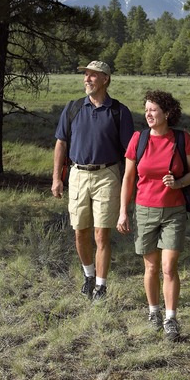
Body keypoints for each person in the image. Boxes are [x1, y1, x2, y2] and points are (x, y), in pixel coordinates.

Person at [117, 89, 190, 341]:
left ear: (167, 113)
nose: (148, 114)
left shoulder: (181, 138)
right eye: (146, 109)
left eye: (153, 109)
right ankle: (154, 312)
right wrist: (123, 212)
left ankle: (170, 318)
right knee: (151, 267)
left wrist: (178, 183)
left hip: (174, 211)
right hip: (144, 210)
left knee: (168, 267)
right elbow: (128, 178)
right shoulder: (138, 139)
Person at [51, 60, 134, 300]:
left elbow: (130, 153)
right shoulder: (73, 108)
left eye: (92, 75)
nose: (87, 79)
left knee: (101, 235)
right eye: (85, 75)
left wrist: (133, 183)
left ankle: (101, 286)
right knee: (80, 232)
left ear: (105, 79)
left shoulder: (119, 111)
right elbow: (61, 144)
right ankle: (88, 274)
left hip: (108, 176)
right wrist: (57, 178)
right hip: (77, 175)